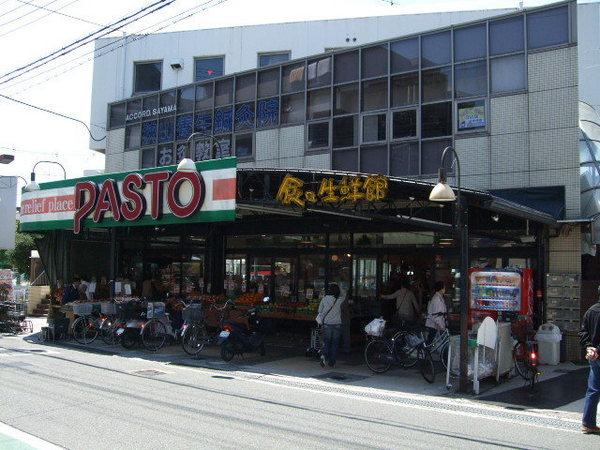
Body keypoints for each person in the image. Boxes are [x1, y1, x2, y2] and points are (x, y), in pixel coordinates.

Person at [579, 286, 600, 434]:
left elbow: (582, 332)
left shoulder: (590, 310)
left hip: (593, 356)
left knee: (593, 389)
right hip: (596, 353)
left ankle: (588, 423)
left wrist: (589, 348)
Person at [317, 283, 344, 368]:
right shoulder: (340, 300)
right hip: (337, 323)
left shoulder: (324, 299)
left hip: (327, 324)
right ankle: (332, 362)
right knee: (335, 343)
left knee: (326, 342)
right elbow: (345, 295)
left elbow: (319, 310)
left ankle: (324, 356)